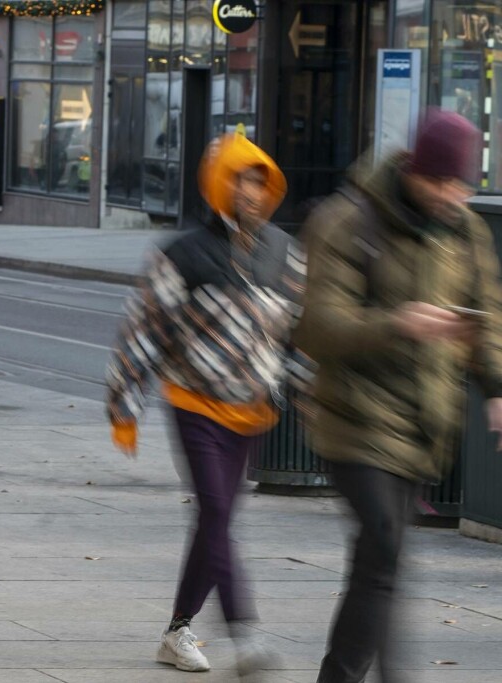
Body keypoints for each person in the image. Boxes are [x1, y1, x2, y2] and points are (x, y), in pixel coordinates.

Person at [297, 110, 502, 683]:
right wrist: (400, 323)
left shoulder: (465, 231)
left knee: (381, 564)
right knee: (384, 548)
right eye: (440, 182)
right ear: (413, 167)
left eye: (462, 184)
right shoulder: (347, 220)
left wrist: (497, 389)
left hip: (421, 423)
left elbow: (488, 317)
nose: (451, 195)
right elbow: (317, 327)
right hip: (351, 417)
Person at [107, 133, 304, 674]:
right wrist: (124, 406)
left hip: (252, 410)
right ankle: (246, 635)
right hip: (194, 404)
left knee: (213, 523)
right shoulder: (185, 253)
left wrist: (311, 383)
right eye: (242, 179)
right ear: (222, 184)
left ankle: (176, 632)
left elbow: (298, 334)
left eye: (260, 181)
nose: (252, 192)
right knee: (217, 512)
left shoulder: (284, 252)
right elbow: (142, 331)